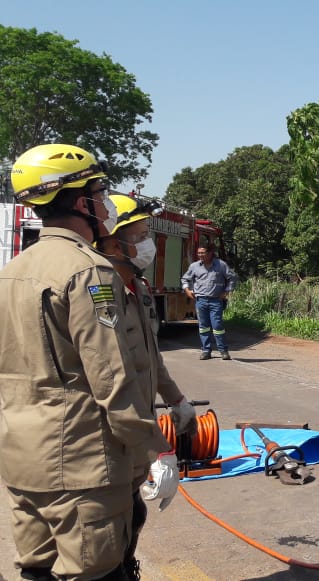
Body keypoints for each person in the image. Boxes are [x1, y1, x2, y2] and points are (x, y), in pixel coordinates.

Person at [0, 144, 177, 581]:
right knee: (93, 571)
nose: (105, 203)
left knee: (37, 570)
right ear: (82, 204)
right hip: (81, 466)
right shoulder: (89, 272)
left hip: (23, 460)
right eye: (99, 193)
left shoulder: (11, 272)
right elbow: (111, 378)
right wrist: (155, 449)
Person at [99, 193, 198, 580]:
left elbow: (151, 358)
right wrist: (160, 448)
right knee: (106, 538)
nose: (148, 244)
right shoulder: (99, 293)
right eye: (139, 235)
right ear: (112, 243)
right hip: (111, 438)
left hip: (135, 435)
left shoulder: (137, 289)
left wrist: (177, 399)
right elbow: (110, 379)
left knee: (133, 518)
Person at [181, 242, 237, 360]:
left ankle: (223, 351)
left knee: (217, 326)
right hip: (200, 301)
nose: (200, 255)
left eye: (203, 253)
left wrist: (226, 292)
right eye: (198, 253)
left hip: (216, 301)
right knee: (203, 327)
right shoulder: (194, 266)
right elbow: (185, 279)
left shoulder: (221, 265)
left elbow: (232, 278)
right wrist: (187, 290)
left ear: (210, 253)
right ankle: (206, 351)